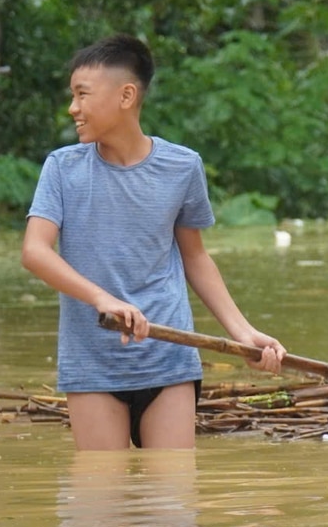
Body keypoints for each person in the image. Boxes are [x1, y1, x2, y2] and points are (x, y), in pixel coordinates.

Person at [22, 34, 287, 451]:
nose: (73, 108)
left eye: (82, 95)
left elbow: (195, 257)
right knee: (100, 503)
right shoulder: (62, 168)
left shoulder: (182, 167)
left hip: (169, 358)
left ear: (126, 95)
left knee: (171, 502)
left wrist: (243, 333)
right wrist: (102, 299)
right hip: (93, 362)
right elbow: (35, 252)